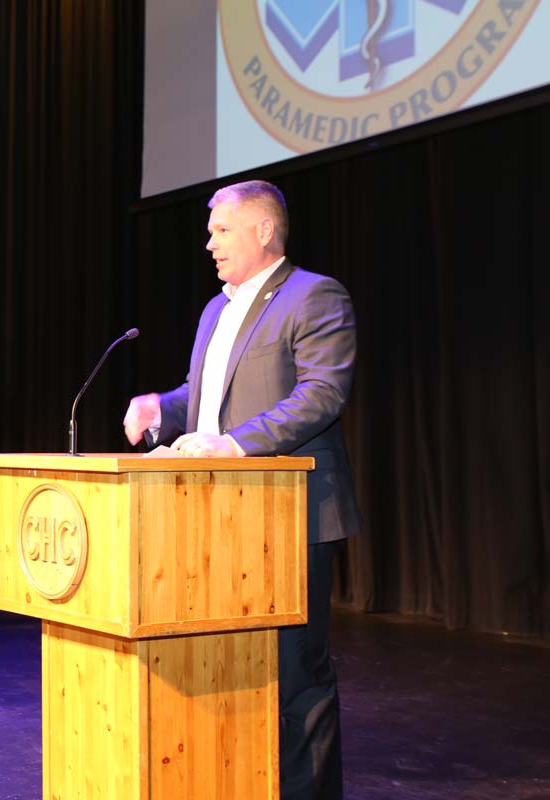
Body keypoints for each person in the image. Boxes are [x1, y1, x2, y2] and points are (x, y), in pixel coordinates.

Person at [123, 180, 360, 800]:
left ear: (263, 230)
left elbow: (321, 394)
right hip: (214, 519)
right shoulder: (215, 310)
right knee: (229, 671)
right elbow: (203, 403)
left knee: (295, 675)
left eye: (221, 231)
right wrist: (161, 406)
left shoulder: (315, 297)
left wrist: (234, 444)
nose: (209, 244)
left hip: (290, 514)